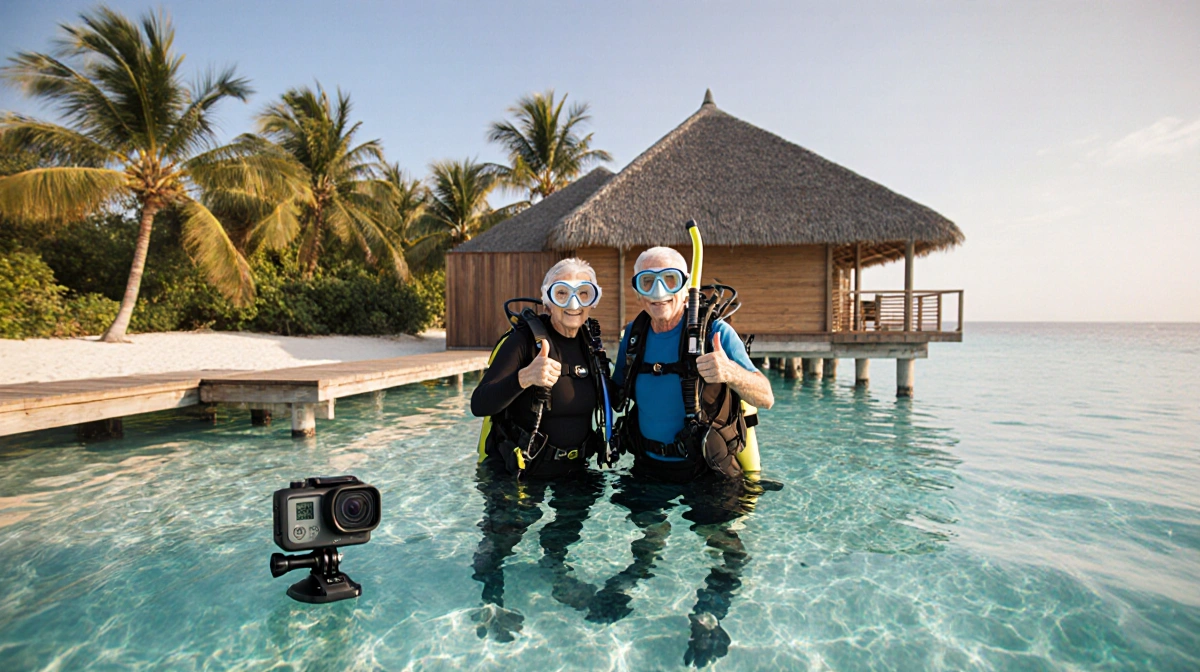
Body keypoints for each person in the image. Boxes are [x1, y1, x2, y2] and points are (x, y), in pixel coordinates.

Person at [591, 245, 776, 667]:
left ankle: (708, 613)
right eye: (647, 282)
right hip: (650, 466)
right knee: (647, 534)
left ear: (685, 285)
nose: (658, 293)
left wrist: (729, 372)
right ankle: (633, 578)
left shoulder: (716, 331)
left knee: (726, 548)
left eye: (669, 281)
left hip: (707, 469)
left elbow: (765, 396)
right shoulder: (634, 336)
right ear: (637, 290)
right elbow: (616, 397)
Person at [468, 257, 612, 640]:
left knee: (565, 528)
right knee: (501, 540)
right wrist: (525, 376)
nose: (573, 303)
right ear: (547, 300)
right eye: (561, 293)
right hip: (518, 468)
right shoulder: (521, 341)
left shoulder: (591, 344)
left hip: (574, 470)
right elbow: (480, 403)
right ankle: (491, 598)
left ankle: (556, 570)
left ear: (593, 300)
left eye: (584, 293)